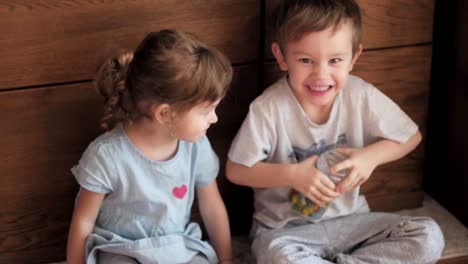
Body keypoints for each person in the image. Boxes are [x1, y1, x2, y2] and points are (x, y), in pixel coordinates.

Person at [226, 0, 445, 263]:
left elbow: (411, 136)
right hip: (286, 232)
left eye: (335, 60)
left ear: (354, 58)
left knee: (428, 235)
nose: (321, 74)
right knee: (276, 255)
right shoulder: (268, 109)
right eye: (306, 60)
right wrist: (293, 175)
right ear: (282, 57)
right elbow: (236, 170)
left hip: (353, 223)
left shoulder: (360, 95)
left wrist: (370, 157)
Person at [66, 29, 233, 264]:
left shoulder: (196, 146)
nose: (214, 118)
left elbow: (212, 206)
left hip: (177, 247)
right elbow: (83, 222)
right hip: (122, 251)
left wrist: (226, 260)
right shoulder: (107, 156)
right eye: (206, 111)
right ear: (165, 114)